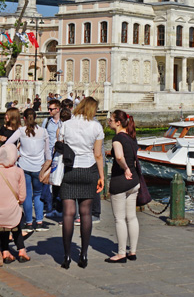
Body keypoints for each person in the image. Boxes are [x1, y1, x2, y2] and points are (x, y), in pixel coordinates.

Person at [58, 96, 104, 269]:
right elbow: (98, 154)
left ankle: (67, 256)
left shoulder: (66, 124)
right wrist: (101, 177)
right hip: (88, 169)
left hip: (70, 170)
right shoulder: (96, 126)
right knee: (85, 213)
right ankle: (83, 254)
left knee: (68, 213)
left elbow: (59, 144)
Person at [0, 143, 30, 263]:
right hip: (12, 216)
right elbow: (23, 197)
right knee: (14, 215)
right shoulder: (19, 172)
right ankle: (21, 250)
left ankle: (5, 251)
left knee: (3, 217)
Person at [6, 108, 51, 235]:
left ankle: (28, 223)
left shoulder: (21, 131)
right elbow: (47, 151)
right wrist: (48, 162)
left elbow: (8, 143)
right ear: (36, 117)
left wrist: (18, 153)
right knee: (38, 194)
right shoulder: (43, 131)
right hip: (39, 167)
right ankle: (40, 222)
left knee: (26, 195)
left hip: (24, 166)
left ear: (23, 118)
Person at [106, 110, 139, 263]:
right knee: (131, 217)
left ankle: (121, 253)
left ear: (118, 122)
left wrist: (125, 168)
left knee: (119, 219)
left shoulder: (117, 137)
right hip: (134, 181)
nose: (108, 121)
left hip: (121, 180)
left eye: (111, 119)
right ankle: (132, 251)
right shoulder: (132, 137)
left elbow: (119, 156)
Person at [42, 99, 62, 219]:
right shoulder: (46, 122)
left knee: (58, 181)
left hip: (59, 156)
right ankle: (49, 206)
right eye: (48, 109)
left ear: (58, 109)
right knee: (46, 181)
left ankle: (58, 206)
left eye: (51, 109)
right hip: (48, 155)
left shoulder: (63, 122)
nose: (49, 111)